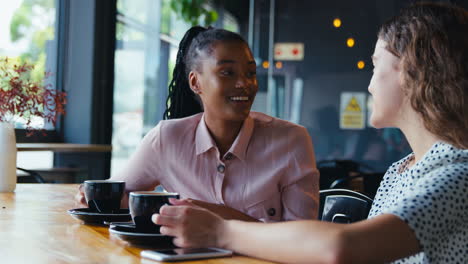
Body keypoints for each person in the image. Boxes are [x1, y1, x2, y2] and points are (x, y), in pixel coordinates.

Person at [152, 3, 468, 263]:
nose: (369, 84)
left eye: (375, 66)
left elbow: (344, 248)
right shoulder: (399, 173)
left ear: (413, 71)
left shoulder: (458, 175)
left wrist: (219, 231)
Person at [75, 26, 319, 222]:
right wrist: (90, 195)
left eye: (250, 73)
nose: (244, 84)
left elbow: (302, 240)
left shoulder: (291, 140)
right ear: (195, 82)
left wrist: (199, 212)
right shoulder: (167, 139)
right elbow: (114, 194)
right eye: (228, 73)